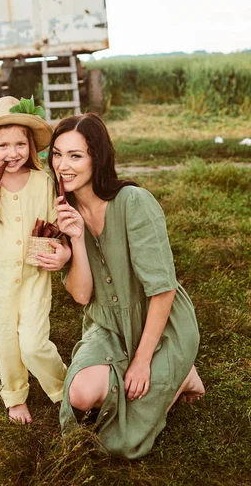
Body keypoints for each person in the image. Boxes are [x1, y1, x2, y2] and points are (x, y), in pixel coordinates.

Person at [45, 112, 205, 459]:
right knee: (81, 396)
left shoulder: (134, 203)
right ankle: (173, 376)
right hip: (107, 323)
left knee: (121, 444)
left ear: (97, 158)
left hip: (161, 324)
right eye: (57, 154)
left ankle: (179, 374)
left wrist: (142, 361)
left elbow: (162, 290)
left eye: (76, 155)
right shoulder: (65, 211)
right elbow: (83, 294)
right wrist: (77, 238)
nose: (63, 166)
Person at [0, 96, 71, 424]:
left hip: (34, 281)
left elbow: (54, 228)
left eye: (20, 144)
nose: (13, 153)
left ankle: (65, 388)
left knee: (34, 344)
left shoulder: (44, 183)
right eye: (3, 146)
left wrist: (60, 250)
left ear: (31, 146)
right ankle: (15, 395)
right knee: (5, 343)